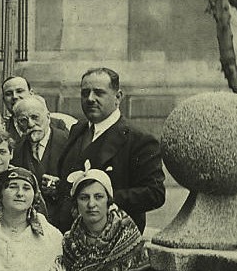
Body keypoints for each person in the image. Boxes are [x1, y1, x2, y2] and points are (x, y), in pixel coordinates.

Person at [52, 67, 166, 233]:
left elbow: (154, 194)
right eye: (85, 93)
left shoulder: (139, 139)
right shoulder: (78, 129)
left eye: (99, 93)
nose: (90, 99)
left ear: (118, 97)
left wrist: (104, 198)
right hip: (70, 236)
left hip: (114, 239)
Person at [11, 93, 72, 210]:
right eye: (23, 120)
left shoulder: (68, 143)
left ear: (48, 117)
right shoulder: (16, 150)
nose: (30, 124)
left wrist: (60, 188)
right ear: (17, 124)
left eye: (35, 117)